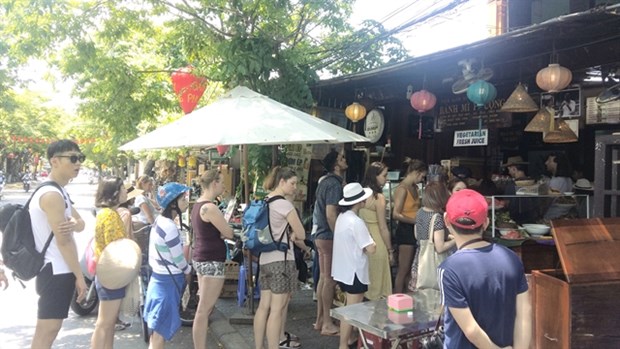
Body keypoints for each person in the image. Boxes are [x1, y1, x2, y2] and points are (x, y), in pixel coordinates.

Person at [439, 189, 531, 348]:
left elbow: (471, 330)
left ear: (446, 220)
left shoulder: (449, 269)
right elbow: (524, 313)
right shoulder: (511, 258)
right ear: (486, 222)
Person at [29, 140, 86, 349]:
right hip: (55, 269)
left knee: (49, 330)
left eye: (80, 158)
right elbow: (64, 241)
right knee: (47, 330)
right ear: (54, 161)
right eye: (73, 158)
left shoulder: (59, 191)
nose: (78, 163)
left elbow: (80, 224)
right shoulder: (52, 195)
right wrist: (80, 277)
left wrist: (75, 223)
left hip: (57, 270)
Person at [253, 167, 306, 349]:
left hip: (264, 260)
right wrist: (293, 236)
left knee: (263, 307)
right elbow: (301, 233)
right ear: (281, 182)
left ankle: (259, 346)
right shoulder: (284, 204)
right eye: (292, 183)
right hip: (281, 261)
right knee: (276, 310)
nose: (295, 187)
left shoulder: (264, 201)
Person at [143, 182, 193, 348]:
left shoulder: (159, 222)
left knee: (156, 333)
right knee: (159, 335)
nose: (186, 202)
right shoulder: (170, 226)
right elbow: (178, 259)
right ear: (173, 204)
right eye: (183, 199)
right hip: (167, 283)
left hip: (158, 280)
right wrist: (188, 269)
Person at [191, 169, 234, 349]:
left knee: (205, 307)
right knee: (204, 310)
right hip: (211, 259)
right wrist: (225, 232)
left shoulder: (197, 205)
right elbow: (229, 232)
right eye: (222, 182)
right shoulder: (210, 207)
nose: (224, 186)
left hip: (202, 256)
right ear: (214, 183)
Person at [331, 182, 376, 349]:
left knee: (350, 308)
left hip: (343, 269)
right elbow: (370, 248)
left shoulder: (342, 218)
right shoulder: (356, 222)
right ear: (359, 202)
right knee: (352, 310)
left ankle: (350, 340)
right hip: (355, 270)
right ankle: (344, 344)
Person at [90, 178, 129, 348]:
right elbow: (116, 247)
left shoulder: (105, 213)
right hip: (111, 274)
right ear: (115, 193)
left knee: (108, 323)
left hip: (107, 272)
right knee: (104, 323)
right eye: (123, 189)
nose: (126, 192)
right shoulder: (111, 216)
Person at [311, 150, 347, 336]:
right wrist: (339, 236)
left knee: (324, 279)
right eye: (341, 158)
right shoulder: (333, 184)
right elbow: (331, 214)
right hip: (328, 236)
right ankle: (326, 323)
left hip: (320, 234)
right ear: (335, 165)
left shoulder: (324, 181)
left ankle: (320, 320)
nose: (345, 160)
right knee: (329, 280)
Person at [409, 181, 455, 291]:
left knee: (421, 298)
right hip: (433, 263)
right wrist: (456, 239)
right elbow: (440, 247)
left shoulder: (420, 212)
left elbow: (417, 235)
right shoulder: (437, 218)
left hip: (419, 259)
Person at [392, 158, 426, 294]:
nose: (422, 179)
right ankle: (396, 300)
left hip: (414, 228)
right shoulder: (402, 189)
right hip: (405, 229)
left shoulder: (415, 188)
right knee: (403, 269)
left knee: (411, 270)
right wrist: (415, 221)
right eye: (422, 176)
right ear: (416, 173)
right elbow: (396, 214)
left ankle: (407, 299)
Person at [359, 162, 392, 300]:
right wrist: (390, 250)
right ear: (375, 176)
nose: (386, 179)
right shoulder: (379, 198)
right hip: (377, 241)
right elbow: (383, 227)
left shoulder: (359, 194)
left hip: (361, 240)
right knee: (378, 284)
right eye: (384, 175)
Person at [115, 183, 143, 331]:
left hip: (110, 255)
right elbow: (126, 235)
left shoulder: (113, 210)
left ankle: (115, 318)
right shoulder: (125, 213)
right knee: (120, 290)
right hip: (122, 254)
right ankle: (115, 319)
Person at [544, 152, 574, 220]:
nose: (546, 163)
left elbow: (547, 200)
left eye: (549, 160)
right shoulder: (569, 180)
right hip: (564, 215)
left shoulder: (556, 181)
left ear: (556, 163)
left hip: (552, 216)